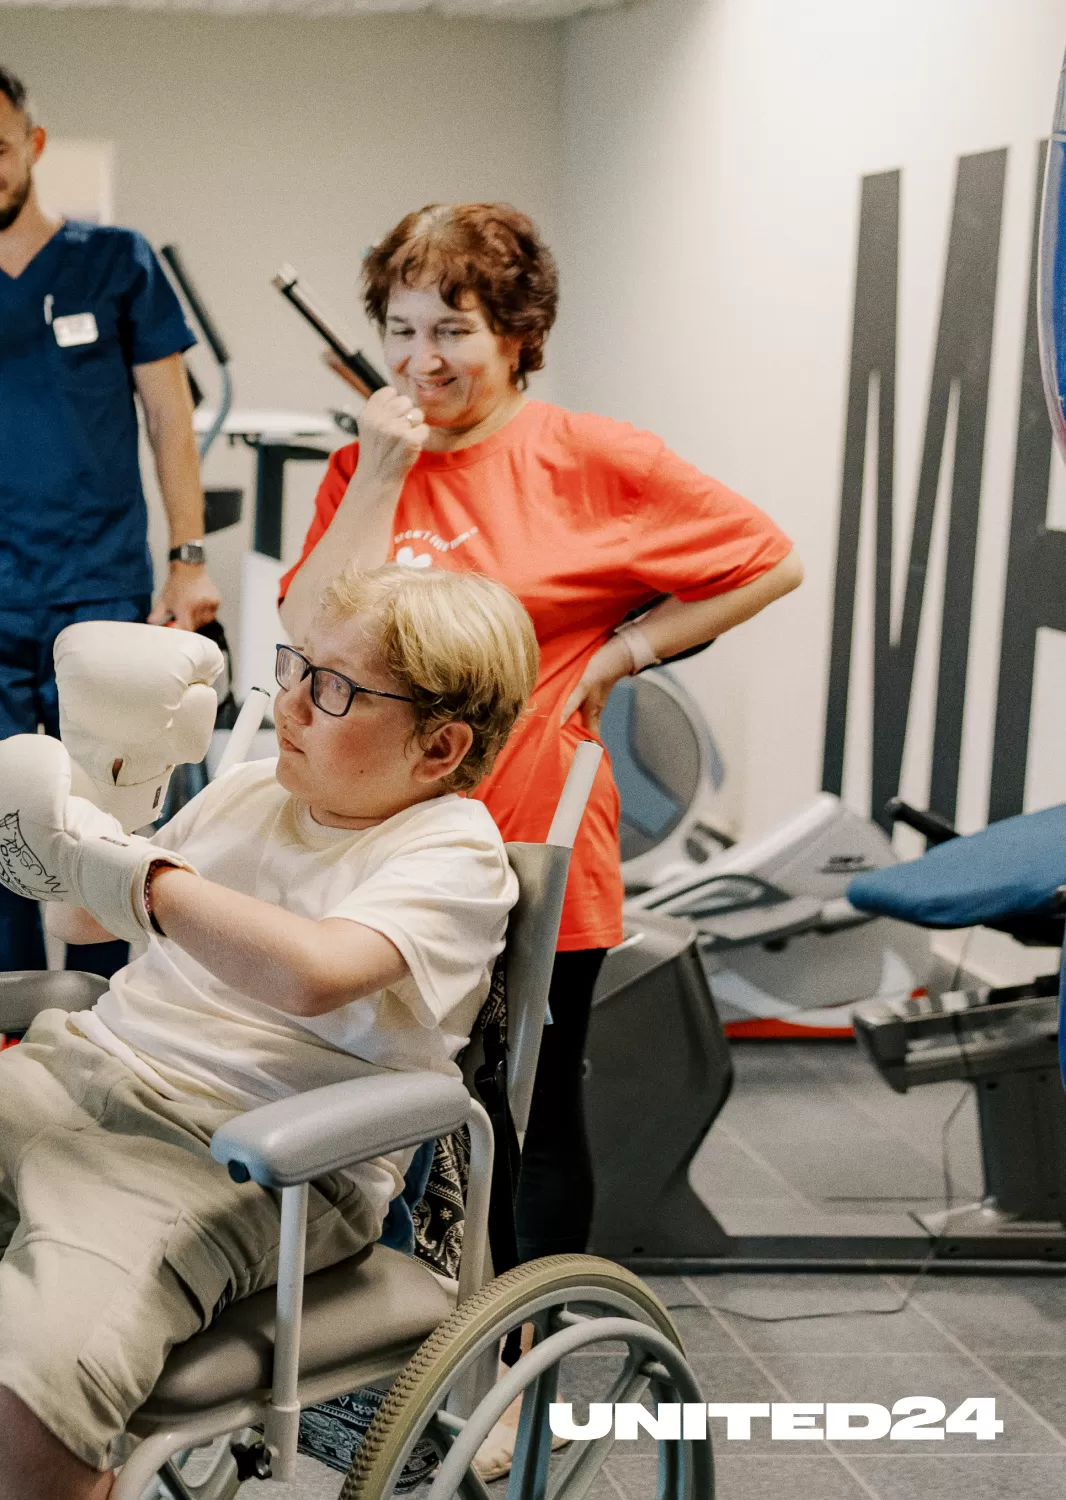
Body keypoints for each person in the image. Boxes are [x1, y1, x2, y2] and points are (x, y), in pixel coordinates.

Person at [0, 564, 540, 1500]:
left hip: (246, 1149)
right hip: (79, 1074)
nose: (294, 702)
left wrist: (140, 875)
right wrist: (79, 808)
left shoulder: (452, 851)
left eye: (338, 688)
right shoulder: (251, 793)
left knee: (23, 1389)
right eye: (299, 667)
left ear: (440, 748)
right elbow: (83, 926)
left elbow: (313, 972)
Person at [277, 202, 801, 1469]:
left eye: (453, 328)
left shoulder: (589, 455)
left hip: (529, 842)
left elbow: (765, 556)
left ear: (518, 334)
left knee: (524, 1113)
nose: (423, 360)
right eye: (401, 330)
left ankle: (517, 1368)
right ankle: (379, 1352)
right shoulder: (374, 459)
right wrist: (383, 468)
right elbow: (304, 620)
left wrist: (627, 649)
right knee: (376, 1102)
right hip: (378, 851)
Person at [0, 60, 220, 978]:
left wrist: (187, 558)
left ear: (33, 145)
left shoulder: (116, 261)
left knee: (104, 812)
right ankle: (13, 1031)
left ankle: (104, 1021)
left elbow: (170, 418)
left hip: (99, 583)